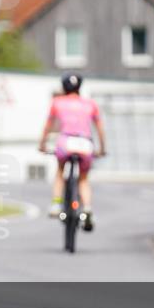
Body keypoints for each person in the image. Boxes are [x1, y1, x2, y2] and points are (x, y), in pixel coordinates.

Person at [38, 72, 106, 231]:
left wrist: (42, 144)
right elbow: (100, 129)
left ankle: (55, 204)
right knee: (83, 178)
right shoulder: (90, 104)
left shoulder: (57, 102)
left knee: (60, 171)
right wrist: (102, 149)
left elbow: (48, 126)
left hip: (65, 142)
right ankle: (87, 209)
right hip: (85, 143)